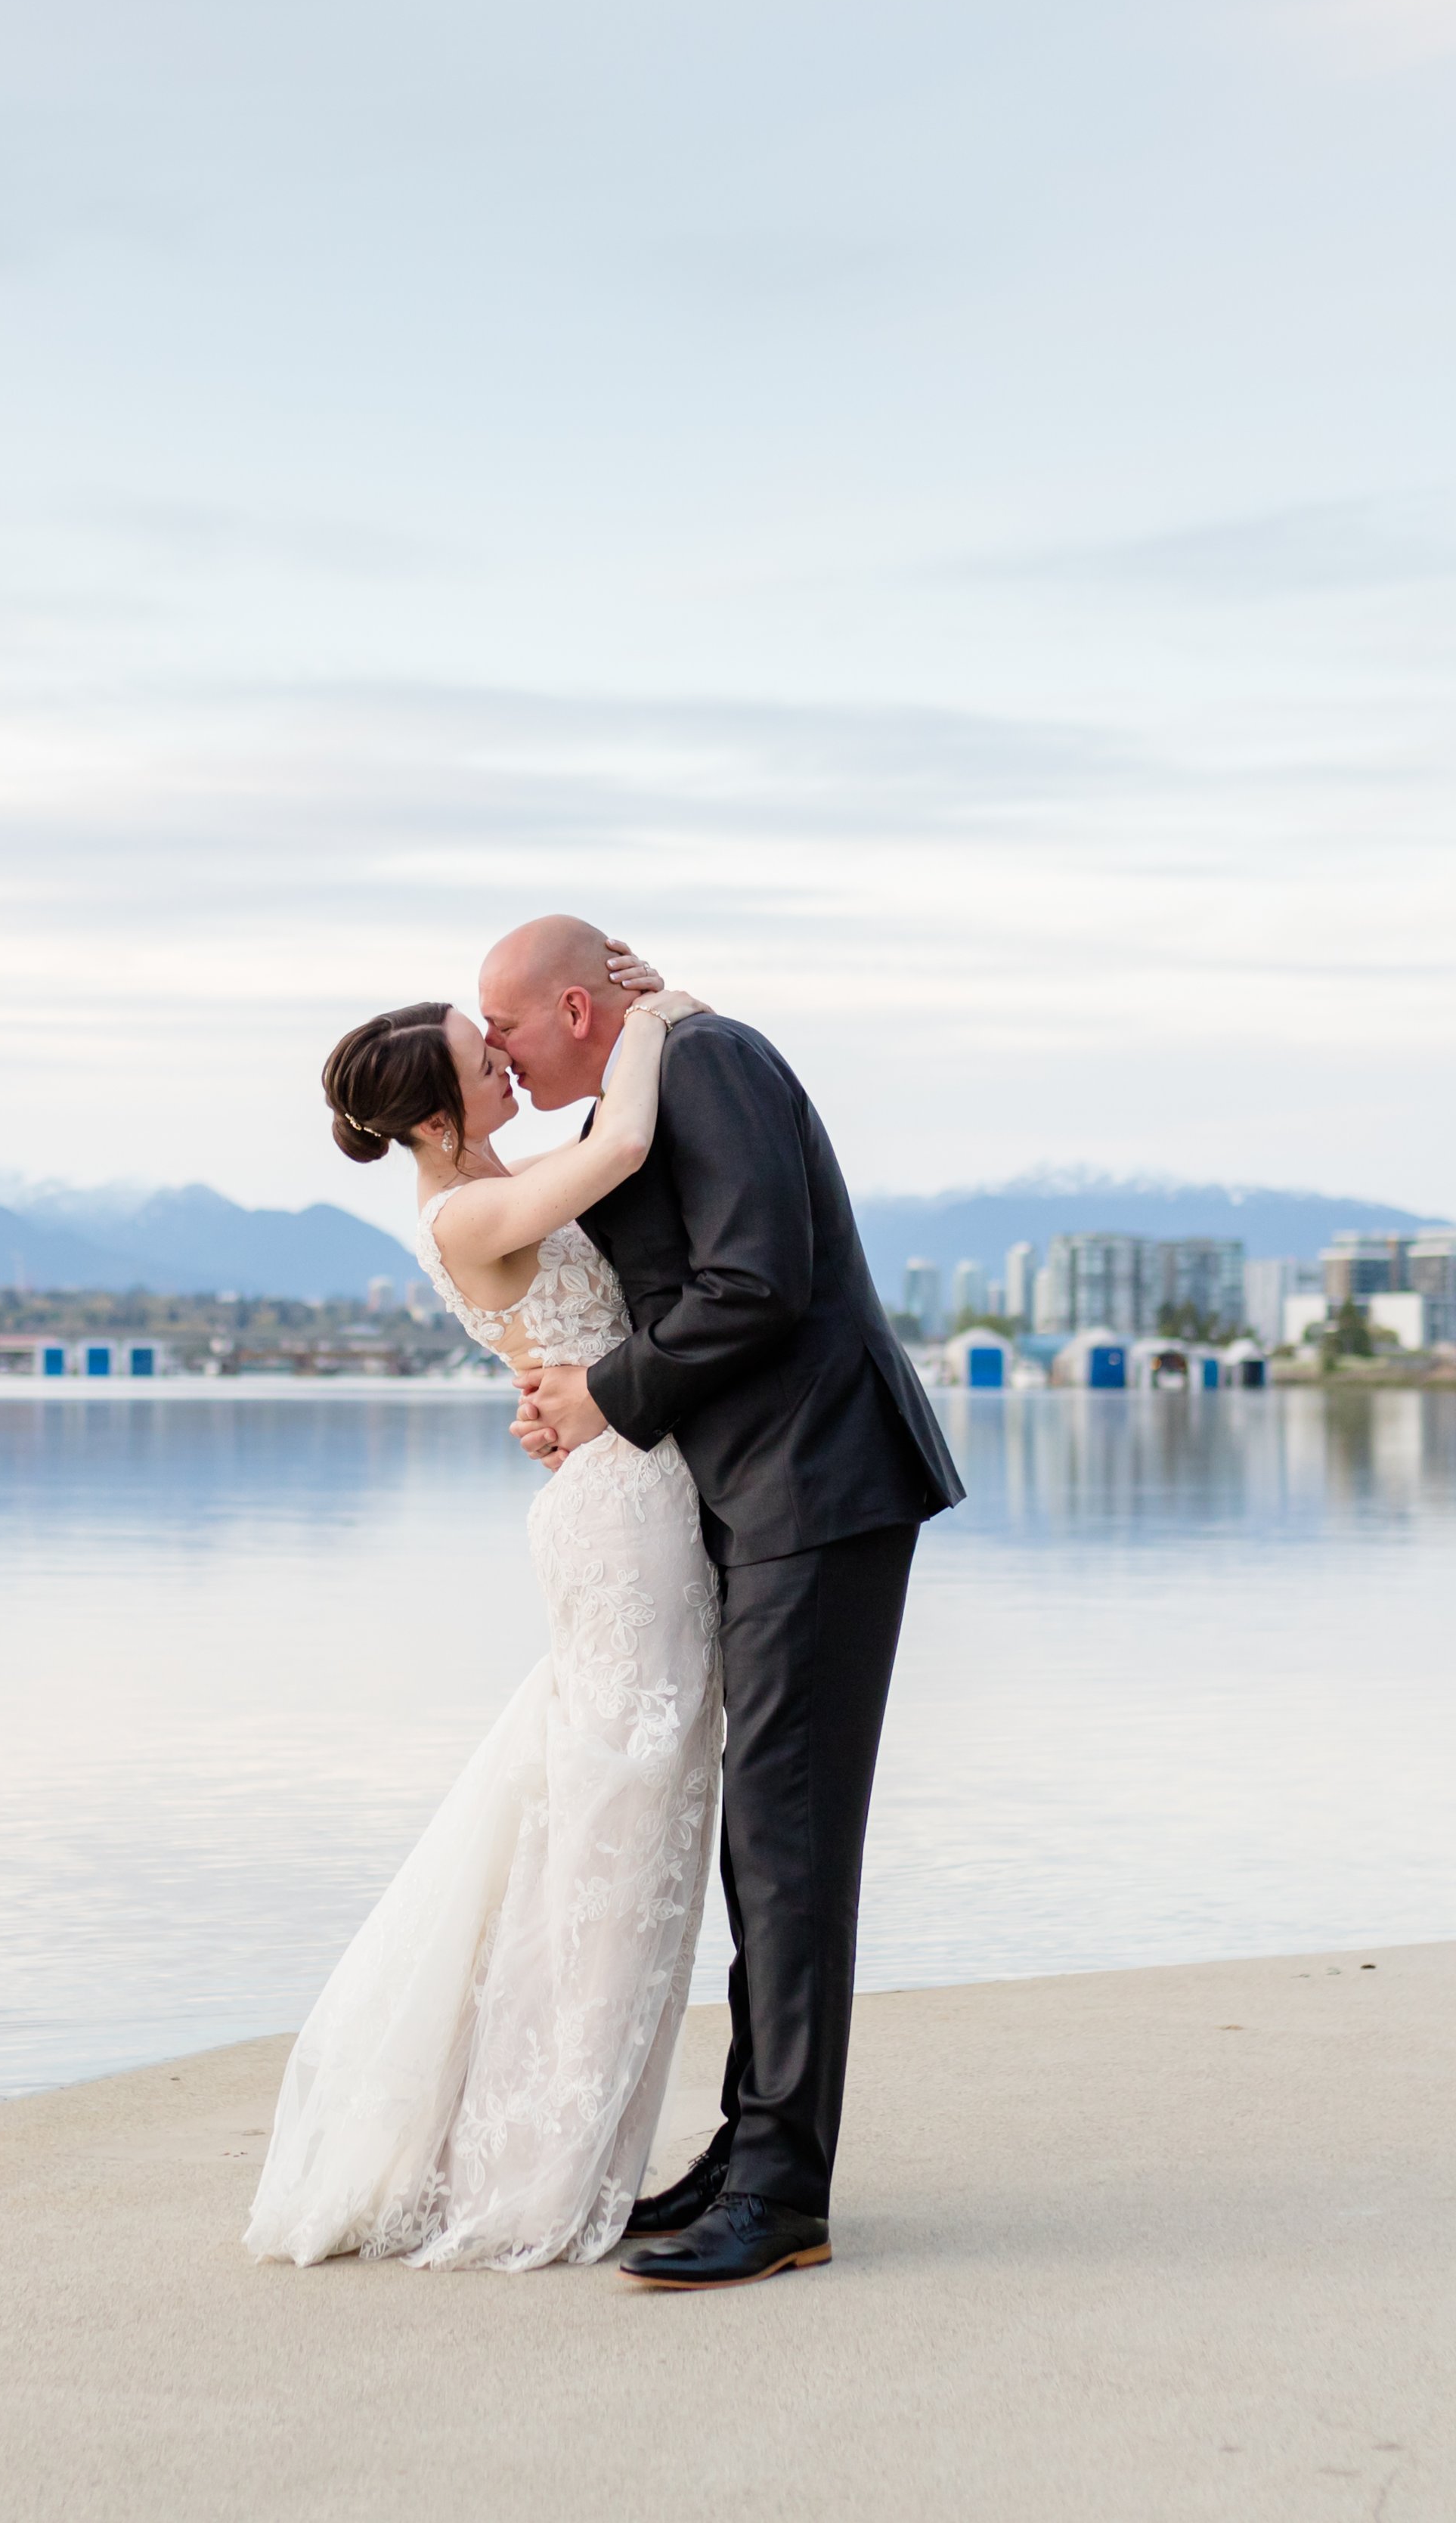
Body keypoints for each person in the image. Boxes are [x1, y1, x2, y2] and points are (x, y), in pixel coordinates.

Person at [482, 917, 964, 2289]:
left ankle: (782, 2190)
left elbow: (760, 1280)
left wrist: (607, 1395)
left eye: (505, 1027)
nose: (503, 1056)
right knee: (768, 1835)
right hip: (763, 1494)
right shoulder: (655, 1068)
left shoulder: (707, 1058)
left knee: (789, 1837)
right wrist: (575, 1394)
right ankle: (749, 2148)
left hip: (820, 1482)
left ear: (575, 1004)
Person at [244, 953, 720, 2272]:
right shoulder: (464, 1214)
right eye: (483, 1057)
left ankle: (578, 2143)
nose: (509, 1058)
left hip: (621, 1487)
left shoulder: (486, 1188)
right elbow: (624, 1137)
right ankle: (544, 2166)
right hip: (618, 1521)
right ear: (432, 1119)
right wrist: (668, 1013)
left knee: (614, 1822)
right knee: (616, 1832)